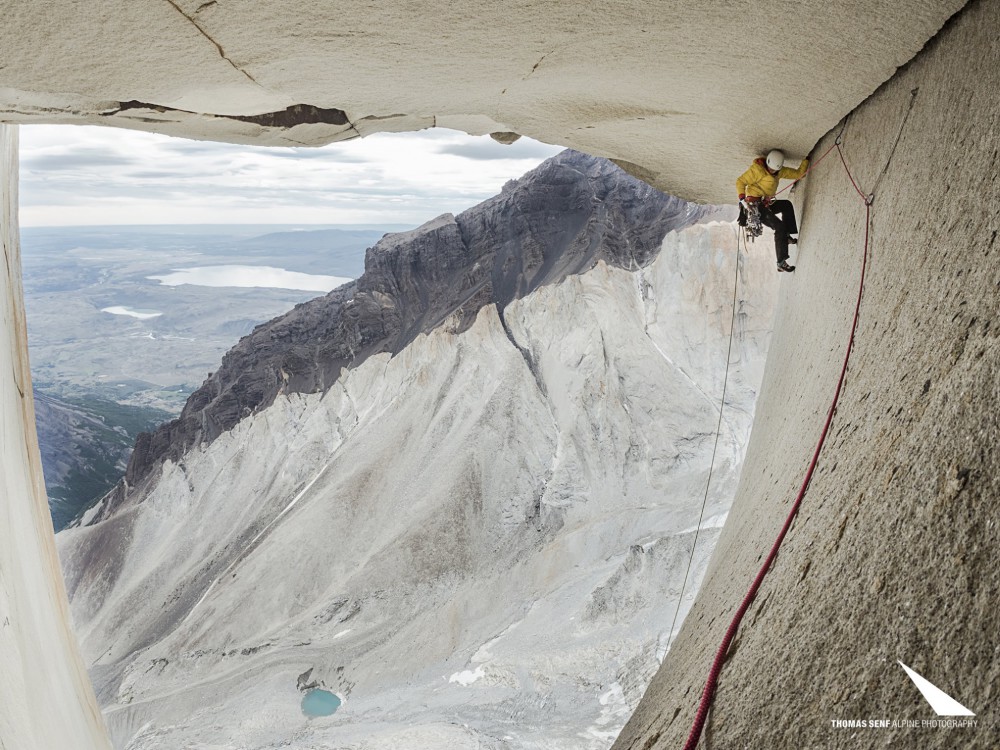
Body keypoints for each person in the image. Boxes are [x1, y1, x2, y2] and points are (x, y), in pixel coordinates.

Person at [737, 149, 808, 272]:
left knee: (786, 205)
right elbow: (740, 182)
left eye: (775, 170)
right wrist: (742, 198)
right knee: (779, 227)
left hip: (764, 204)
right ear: (767, 163)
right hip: (755, 206)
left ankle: (786, 237)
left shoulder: (779, 172)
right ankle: (781, 263)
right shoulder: (758, 170)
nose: (772, 171)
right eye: (771, 169)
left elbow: (798, 174)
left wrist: (807, 160)